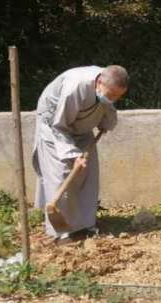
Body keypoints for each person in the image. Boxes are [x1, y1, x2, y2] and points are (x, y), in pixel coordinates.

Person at [32, 65, 128, 244]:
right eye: (111, 95)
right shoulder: (75, 88)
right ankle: (61, 232)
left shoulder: (106, 88)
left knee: (88, 172)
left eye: (118, 96)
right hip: (54, 126)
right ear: (99, 83)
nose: (113, 99)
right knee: (60, 172)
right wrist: (72, 154)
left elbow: (107, 107)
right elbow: (60, 126)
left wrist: (107, 123)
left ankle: (85, 224)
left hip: (82, 127)